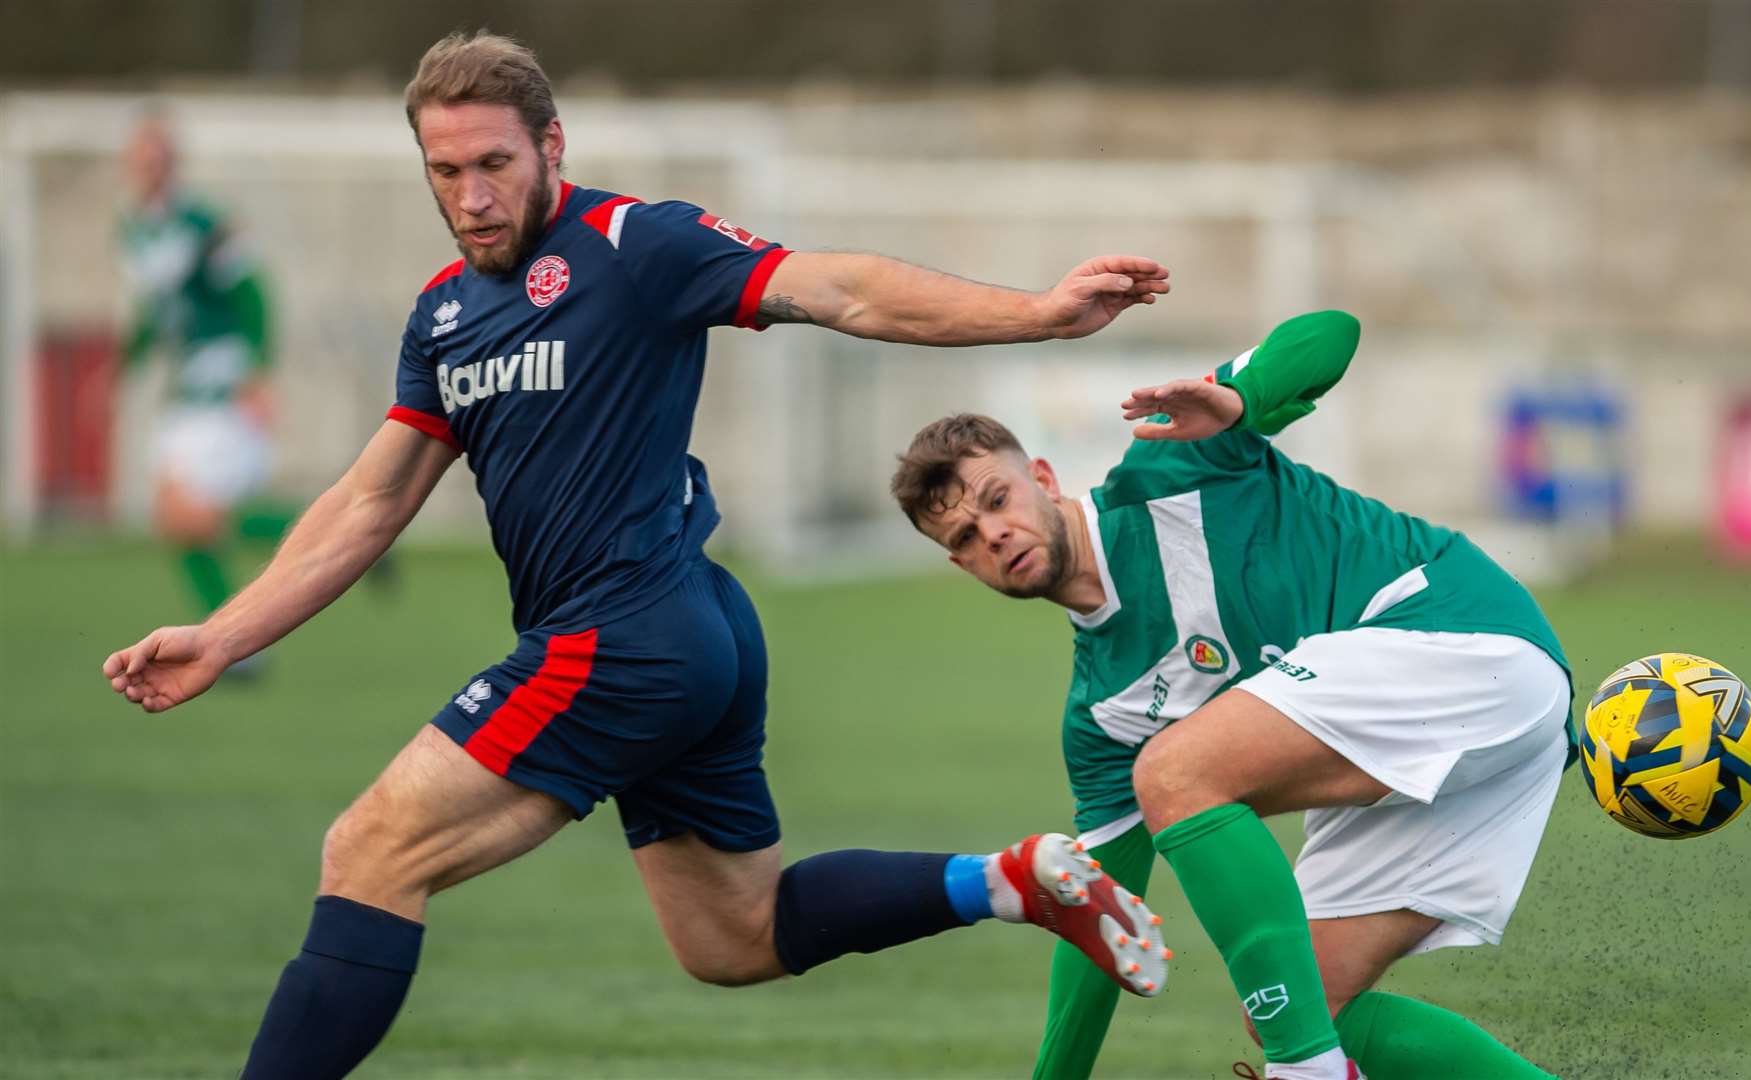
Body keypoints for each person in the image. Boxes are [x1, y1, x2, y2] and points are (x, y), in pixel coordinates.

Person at [101, 31, 1175, 1079]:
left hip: (623, 636)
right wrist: (222, 634)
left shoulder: (633, 244)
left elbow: (836, 286)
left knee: (370, 853)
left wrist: (1037, 313)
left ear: (550, 147)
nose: (472, 195)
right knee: (733, 940)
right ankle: (1010, 881)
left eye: (494, 165)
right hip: (677, 639)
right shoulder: (441, 317)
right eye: (445, 171)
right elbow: (372, 499)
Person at [890, 310, 1570, 1080]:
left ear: (1042, 478)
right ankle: (1312, 1055)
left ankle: (1305, 1074)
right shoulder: (1100, 718)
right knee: (1304, 1004)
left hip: (1461, 635)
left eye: (996, 499)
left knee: (1174, 771)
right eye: (965, 538)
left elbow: (1332, 333)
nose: (994, 534)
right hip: (1449, 739)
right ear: (959, 566)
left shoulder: (1170, 462)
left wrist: (1242, 404)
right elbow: (1093, 914)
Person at [118, 112, 291, 623]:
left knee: (188, 514)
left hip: (223, 381)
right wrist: (121, 367)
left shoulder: (204, 223)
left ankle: (230, 640)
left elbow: (254, 292)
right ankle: (339, 532)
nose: (149, 170)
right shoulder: (132, 229)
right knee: (178, 517)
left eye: (159, 160)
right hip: (184, 386)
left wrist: (258, 373)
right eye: (140, 160)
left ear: (172, 164)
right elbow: (155, 308)